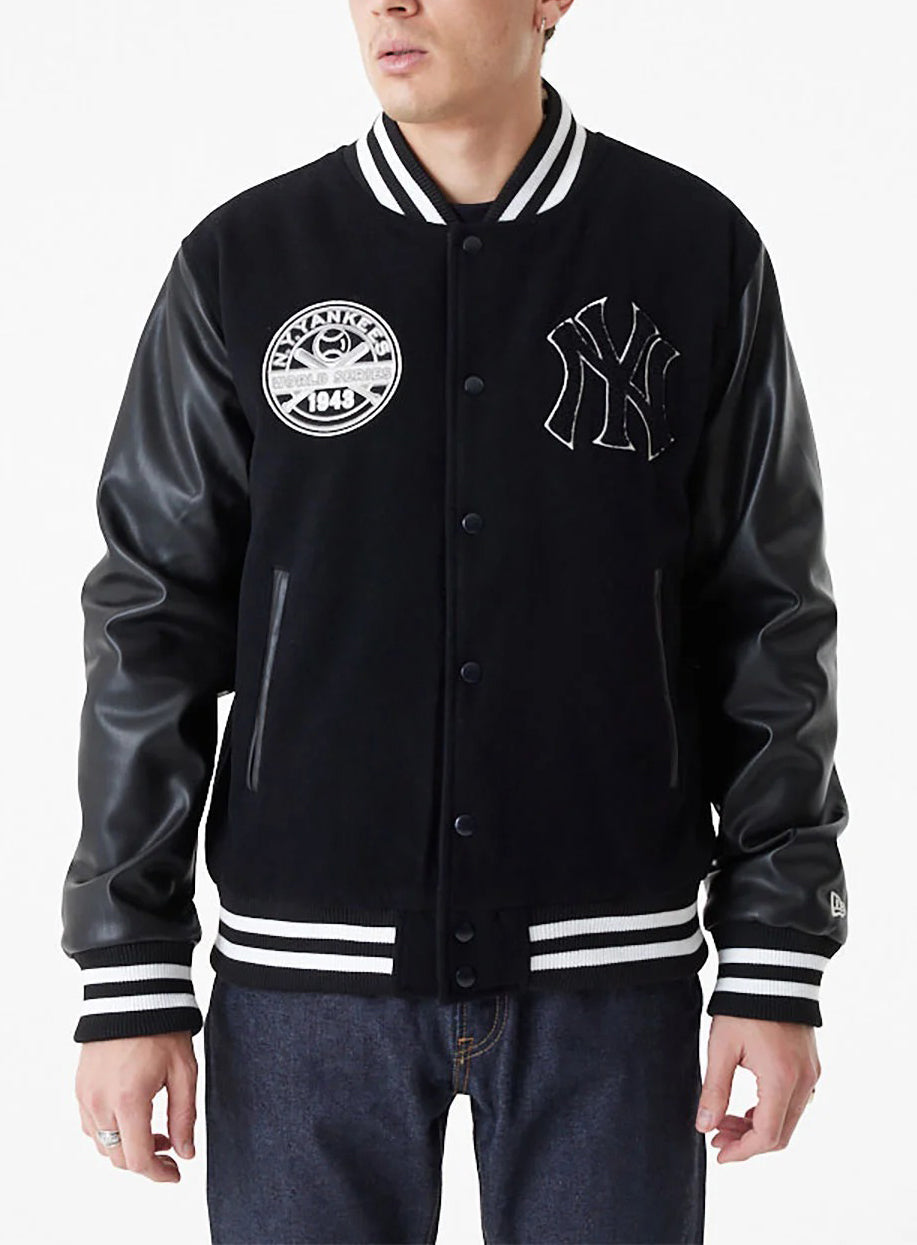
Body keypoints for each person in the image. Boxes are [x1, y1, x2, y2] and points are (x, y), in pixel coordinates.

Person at [61, 2, 850, 1241]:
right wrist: (130, 968)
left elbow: (768, 618)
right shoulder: (246, 261)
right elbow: (148, 619)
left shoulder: (691, 252)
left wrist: (774, 955)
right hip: (304, 978)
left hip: (611, 974)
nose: (389, 4)